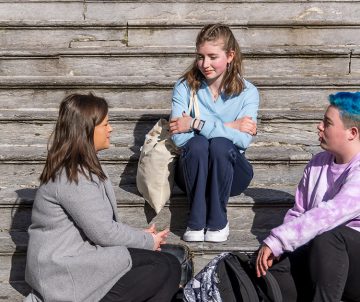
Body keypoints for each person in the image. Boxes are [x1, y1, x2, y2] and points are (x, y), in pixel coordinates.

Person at [25, 93, 181, 302]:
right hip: (64, 272)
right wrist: (147, 240)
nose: (111, 129)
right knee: (161, 267)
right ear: (87, 130)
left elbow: (99, 225)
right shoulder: (72, 176)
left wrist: (140, 236)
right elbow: (104, 233)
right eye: (105, 124)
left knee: (168, 265)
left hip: (81, 259)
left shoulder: (82, 167)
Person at [256, 92, 360, 302]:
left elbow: (332, 213)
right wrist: (281, 249)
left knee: (329, 236)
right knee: (272, 266)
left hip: (354, 269)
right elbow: (298, 212)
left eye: (327, 123)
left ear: (352, 132)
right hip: (323, 264)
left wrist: (280, 239)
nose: (319, 126)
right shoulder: (317, 163)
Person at [169, 24, 259, 242]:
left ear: (230, 55)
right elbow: (179, 137)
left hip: (231, 172)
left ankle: (218, 221)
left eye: (212, 56)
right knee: (198, 145)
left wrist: (195, 124)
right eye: (200, 57)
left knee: (220, 145)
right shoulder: (184, 87)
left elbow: (243, 139)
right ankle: (196, 220)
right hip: (192, 170)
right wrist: (230, 126)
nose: (205, 64)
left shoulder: (248, 92)